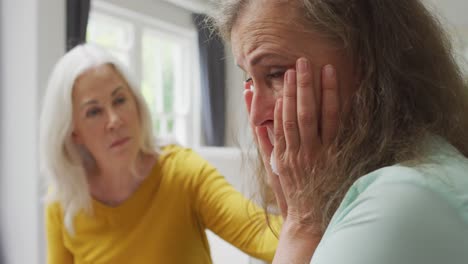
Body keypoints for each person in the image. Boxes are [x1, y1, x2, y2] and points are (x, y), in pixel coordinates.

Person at [210, 0, 468, 263]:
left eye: (276, 74)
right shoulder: (423, 166)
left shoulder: (401, 200)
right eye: (250, 80)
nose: (256, 115)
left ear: (370, 63)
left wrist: (302, 223)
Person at [39, 43, 281, 264]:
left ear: (136, 103)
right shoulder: (63, 201)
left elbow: (260, 234)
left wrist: (306, 223)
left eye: (120, 100)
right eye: (93, 112)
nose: (114, 120)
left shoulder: (182, 171)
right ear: (74, 133)